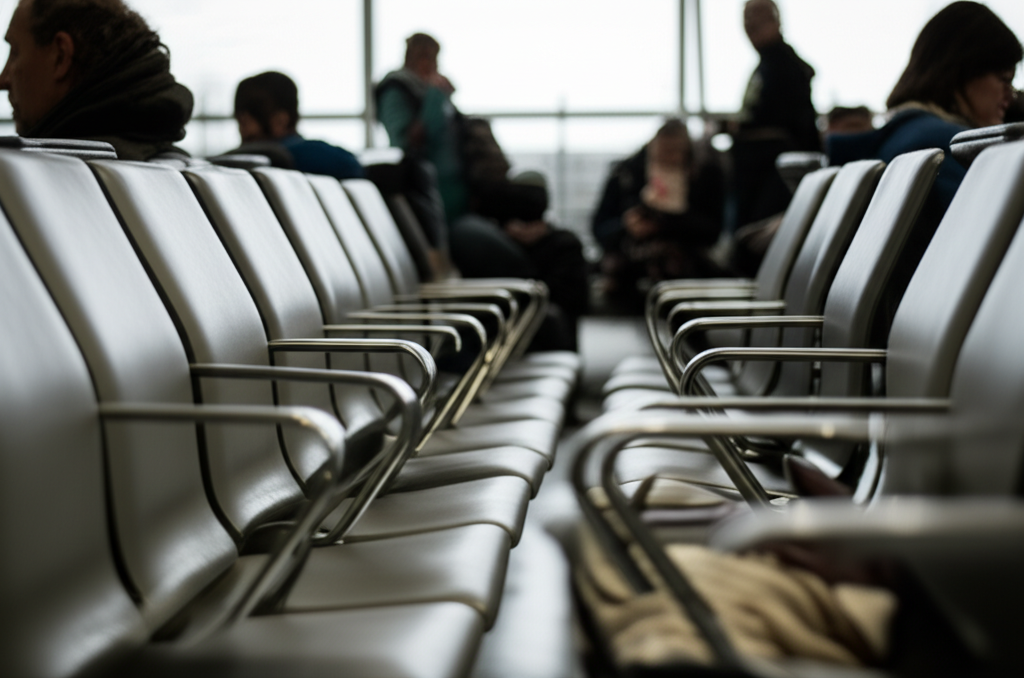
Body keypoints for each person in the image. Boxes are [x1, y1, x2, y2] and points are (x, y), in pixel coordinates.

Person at [828, 1, 1021, 339]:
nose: (1010, 94)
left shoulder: (903, 135)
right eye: (1003, 78)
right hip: (947, 344)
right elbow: (1000, 264)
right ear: (960, 70)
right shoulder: (947, 145)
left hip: (904, 337)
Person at [375, 32, 534, 280]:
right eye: (425, 56)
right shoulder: (398, 89)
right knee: (508, 262)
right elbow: (407, 141)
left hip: (466, 203)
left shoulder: (433, 90)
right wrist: (434, 97)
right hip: (441, 215)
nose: (431, 64)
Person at [0, 0, 192, 161]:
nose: (3, 80)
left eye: (15, 52)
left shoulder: (47, 179)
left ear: (60, 56)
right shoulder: (173, 165)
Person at [591, 118, 726, 312]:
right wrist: (627, 226)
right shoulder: (625, 175)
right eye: (663, 153)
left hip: (686, 268)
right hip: (630, 270)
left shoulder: (706, 175)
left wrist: (668, 224)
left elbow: (713, 232)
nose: (669, 159)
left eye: (675, 153)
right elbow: (599, 229)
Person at [731, 0, 820, 228]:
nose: (751, 24)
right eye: (747, 18)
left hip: (773, 172)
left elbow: (787, 120)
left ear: (777, 20)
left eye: (758, 16)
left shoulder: (783, 66)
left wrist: (741, 128)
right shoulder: (768, 65)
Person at [233, 71, 364, 180]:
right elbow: (353, 166)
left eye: (246, 122)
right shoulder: (309, 153)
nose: (242, 130)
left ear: (281, 121)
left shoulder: (237, 165)